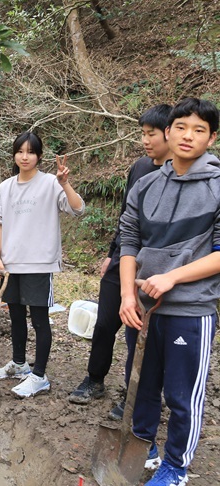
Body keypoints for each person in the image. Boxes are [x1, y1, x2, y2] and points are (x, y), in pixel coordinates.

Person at [119, 98, 219, 486]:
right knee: (141, 385)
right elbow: (128, 241)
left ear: (211, 138)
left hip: (190, 309)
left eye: (199, 130)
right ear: (168, 131)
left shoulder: (217, 186)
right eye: (181, 127)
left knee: (182, 395)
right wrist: (128, 294)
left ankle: (176, 467)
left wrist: (173, 277)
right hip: (143, 306)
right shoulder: (145, 184)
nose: (187, 136)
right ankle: (143, 448)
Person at [68, 105, 174, 427]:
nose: (145, 140)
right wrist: (112, 253)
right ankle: (95, 380)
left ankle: (135, 393)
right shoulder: (140, 167)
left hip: (154, 267)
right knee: (104, 324)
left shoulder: (181, 176)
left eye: (150, 134)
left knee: (137, 334)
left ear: (169, 133)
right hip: (122, 260)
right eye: (142, 133)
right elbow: (127, 219)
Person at [0, 131, 85, 398]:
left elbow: (78, 209)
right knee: (17, 317)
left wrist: (65, 183)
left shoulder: (50, 184)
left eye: (30, 152)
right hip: (11, 263)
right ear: (14, 155)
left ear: (39, 156)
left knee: (40, 321)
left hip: (39, 263)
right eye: (20, 151)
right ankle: (19, 364)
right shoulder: (6, 187)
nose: (25, 156)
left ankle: (39, 376)